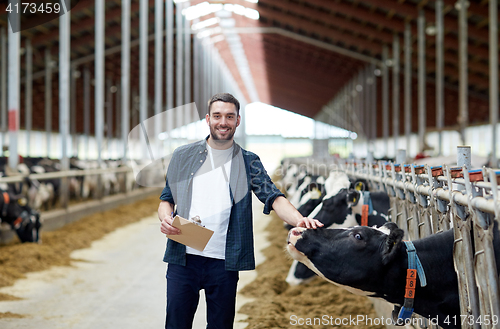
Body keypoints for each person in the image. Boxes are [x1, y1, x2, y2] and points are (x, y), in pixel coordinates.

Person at [158, 93, 323, 329]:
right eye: (217, 116)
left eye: (229, 116)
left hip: (224, 262)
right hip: (183, 259)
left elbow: (274, 197)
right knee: (176, 324)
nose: (222, 122)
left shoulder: (248, 161)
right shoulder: (182, 156)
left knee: (221, 326)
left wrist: (300, 220)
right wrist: (166, 218)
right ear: (207, 119)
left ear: (238, 121)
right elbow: (166, 200)